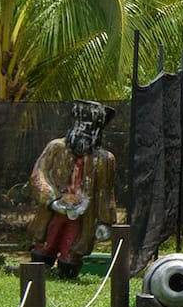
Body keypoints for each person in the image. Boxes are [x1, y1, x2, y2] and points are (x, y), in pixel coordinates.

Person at [29, 101, 118, 279]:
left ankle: (67, 272)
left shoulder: (104, 159)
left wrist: (105, 221)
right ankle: (39, 273)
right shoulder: (56, 148)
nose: (85, 132)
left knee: (73, 249)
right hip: (53, 211)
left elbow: (105, 193)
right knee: (45, 243)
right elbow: (39, 174)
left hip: (82, 217)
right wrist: (53, 200)